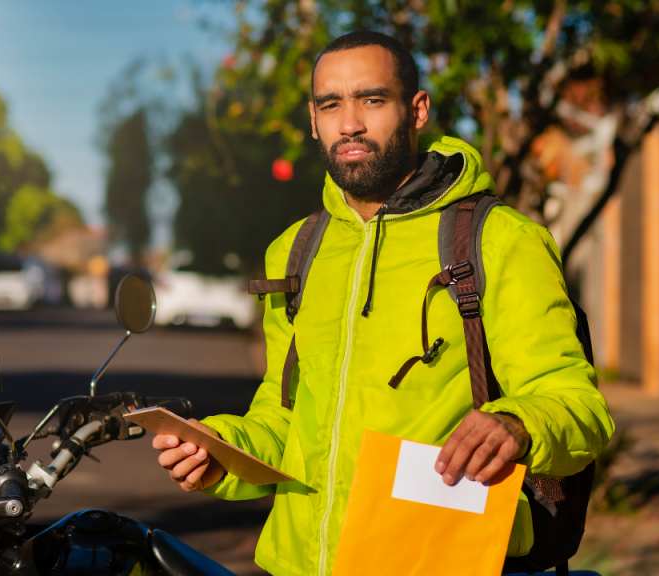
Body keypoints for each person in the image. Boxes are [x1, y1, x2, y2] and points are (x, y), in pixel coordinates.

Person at [153, 30, 614, 576]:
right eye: (331, 104)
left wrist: (517, 423)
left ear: (417, 110)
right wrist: (219, 451)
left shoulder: (499, 240)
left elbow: (578, 405)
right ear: (313, 118)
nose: (349, 123)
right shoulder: (296, 253)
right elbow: (284, 423)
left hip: (443, 562)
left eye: (372, 99)